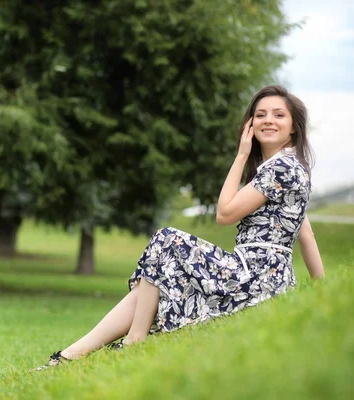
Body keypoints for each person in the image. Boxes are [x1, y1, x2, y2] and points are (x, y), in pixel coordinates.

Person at [36, 85, 325, 371]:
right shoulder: (288, 166)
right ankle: (69, 356)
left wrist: (240, 156)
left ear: (294, 128)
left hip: (253, 276)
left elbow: (224, 213)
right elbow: (306, 233)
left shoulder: (281, 168)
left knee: (166, 240)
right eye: (260, 115)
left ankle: (133, 341)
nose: (268, 121)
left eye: (278, 115)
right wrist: (321, 290)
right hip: (268, 278)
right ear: (251, 123)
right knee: (154, 279)